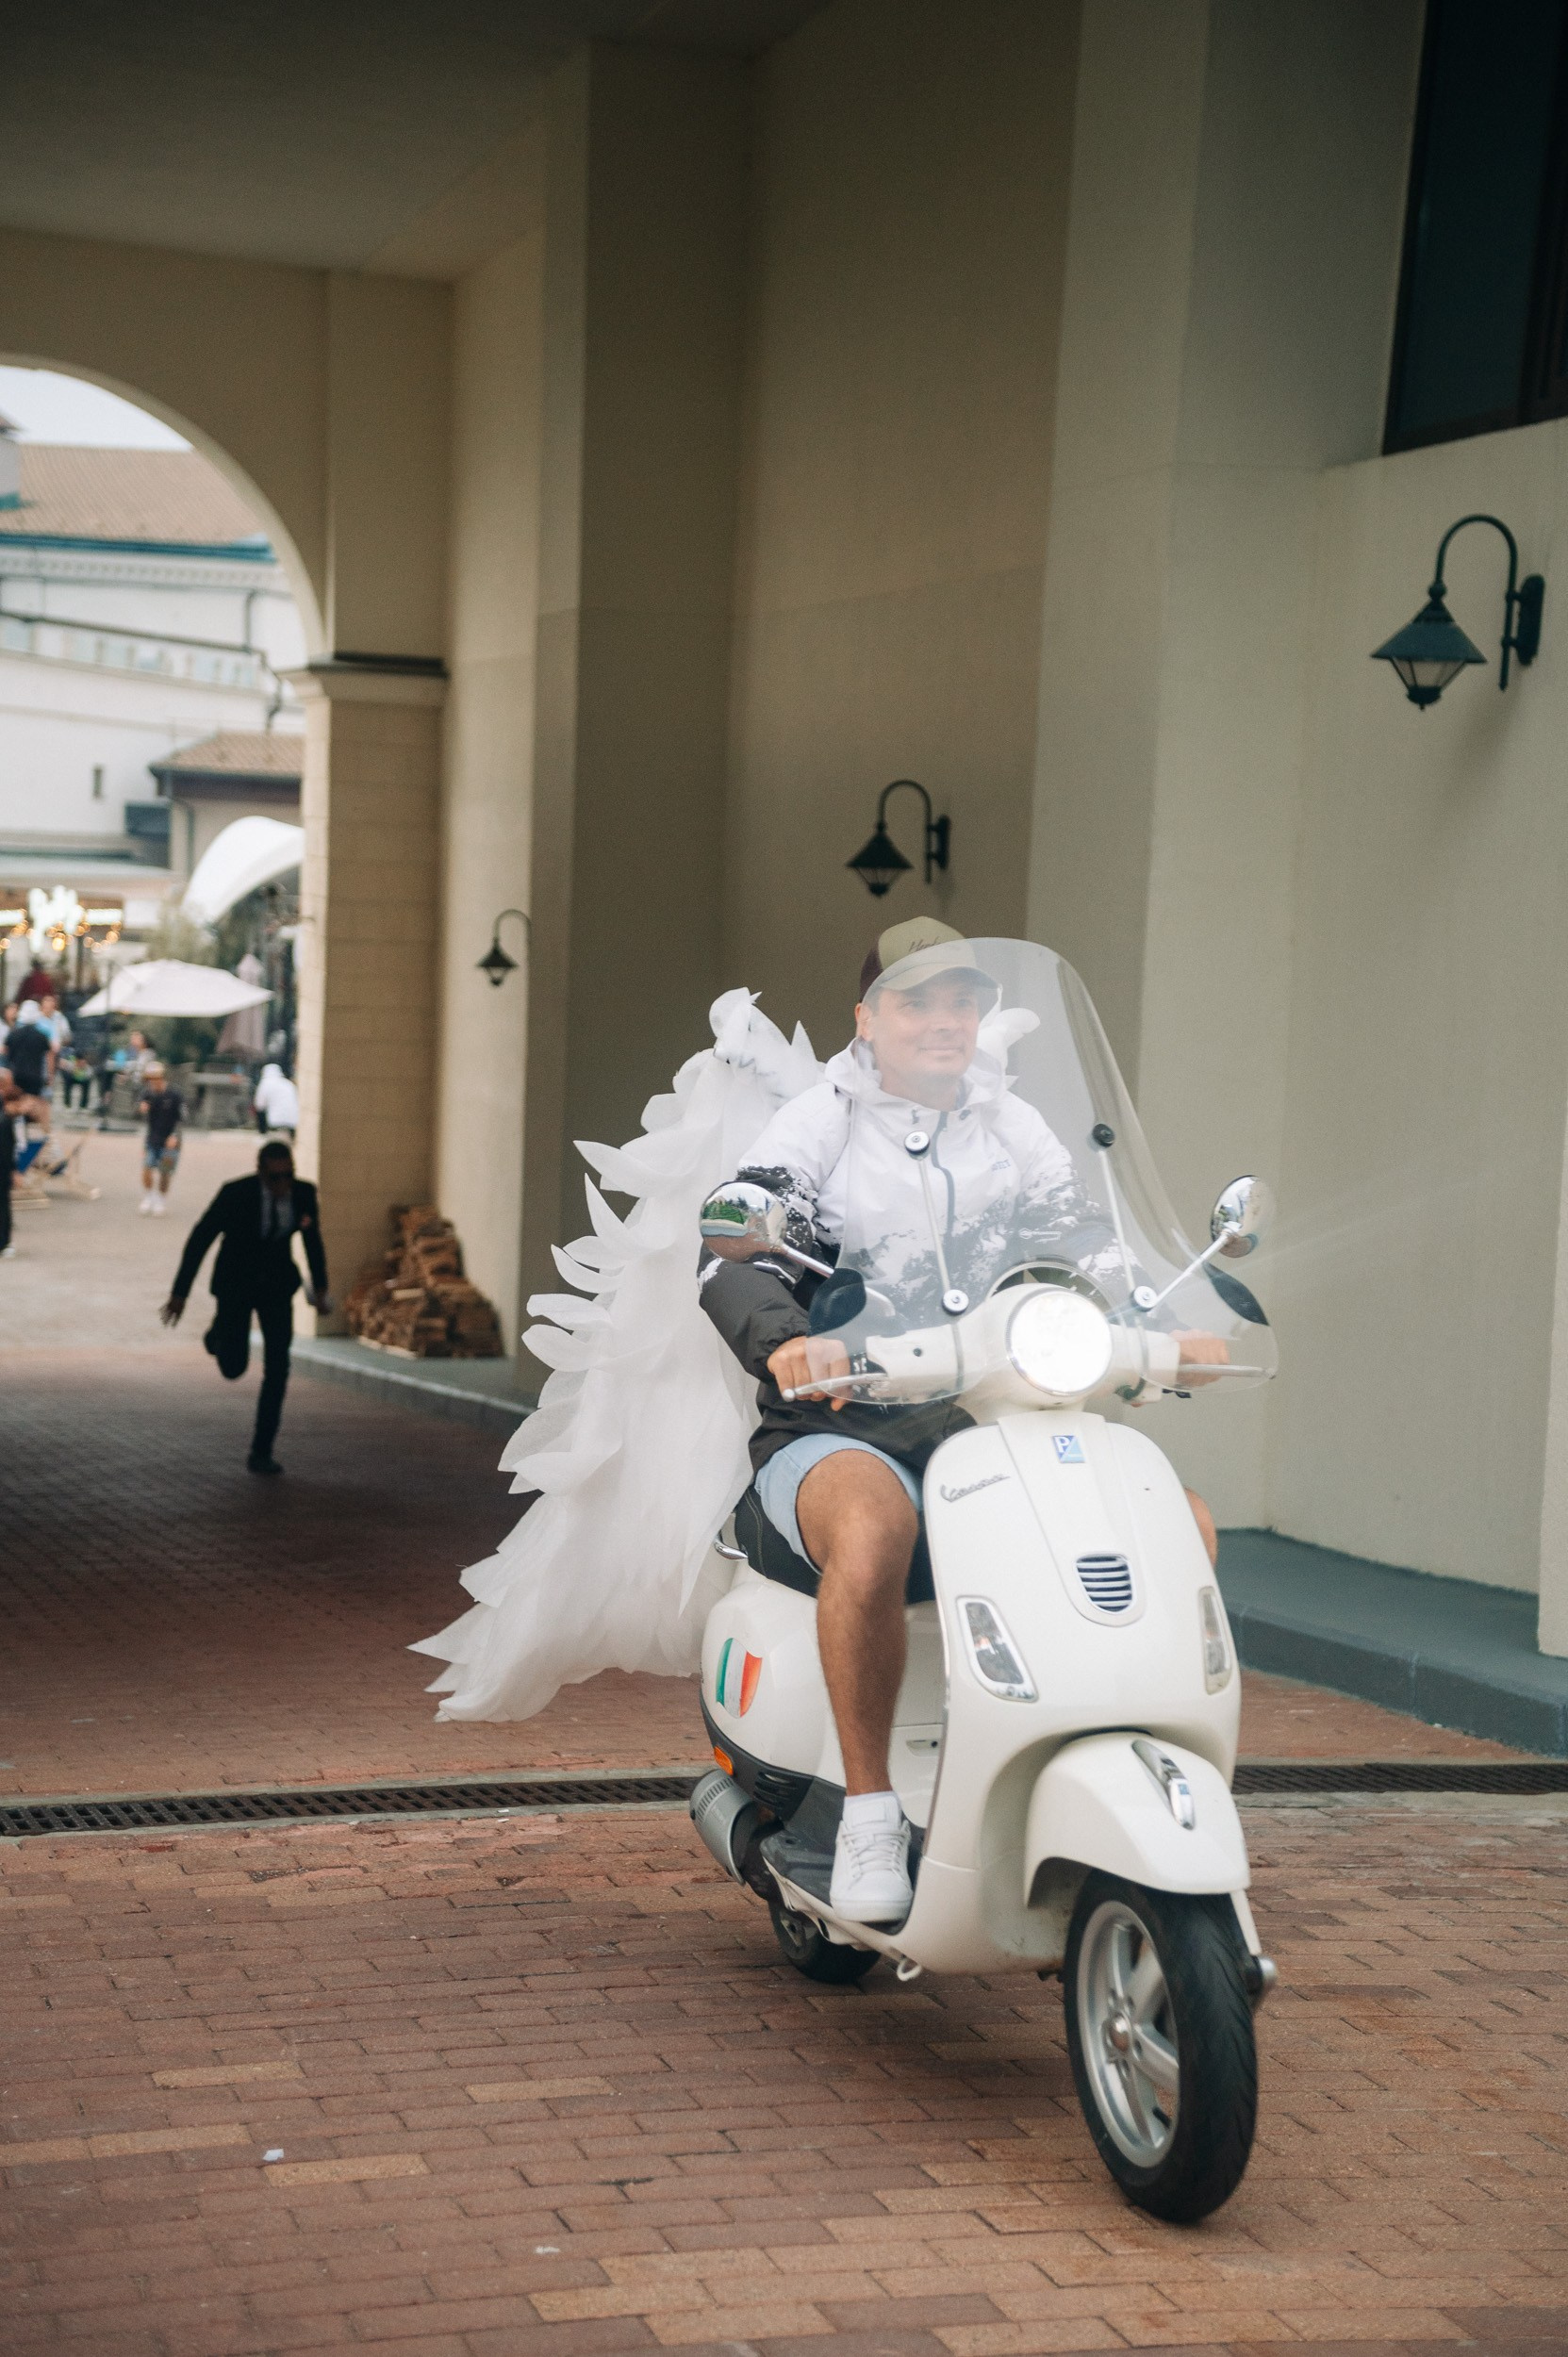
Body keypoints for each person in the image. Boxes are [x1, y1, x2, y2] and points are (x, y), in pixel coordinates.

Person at [698, 917, 1225, 1924]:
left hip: (990, 1419)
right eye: (917, 1002)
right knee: (873, 1527)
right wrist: (789, 1339)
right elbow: (734, 1241)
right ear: (868, 1018)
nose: (944, 1021)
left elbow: (1084, 1236)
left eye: (961, 1002)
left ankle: (1130, 1762)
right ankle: (866, 1810)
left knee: (1175, 1519)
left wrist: (1162, 1322)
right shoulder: (820, 1122)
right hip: (841, 1425)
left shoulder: (1010, 1123)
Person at [160, 1139, 330, 1475]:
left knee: (278, 1367)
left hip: (276, 1287)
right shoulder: (235, 1194)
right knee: (233, 1367)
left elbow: (313, 1241)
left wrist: (321, 1289)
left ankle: (262, 1451)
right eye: (275, 1178)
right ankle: (217, 1335)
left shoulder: (303, 1194)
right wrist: (180, 1294)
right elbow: (200, 1239)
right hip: (236, 1285)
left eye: (289, 1175)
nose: (283, 1185)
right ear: (261, 1173)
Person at [137, 1062, 184, 1215]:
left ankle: (160, 1200)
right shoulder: (147, 1094)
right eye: (149, 1079)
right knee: (146, 1167)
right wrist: (141, 1108)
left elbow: (181, 1118)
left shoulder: (175, 1095)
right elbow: (139, 1109)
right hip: (152, 1138)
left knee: (165, 1172)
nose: (152, 1082)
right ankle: (149, 1197)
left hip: (171, 1140)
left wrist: (174, 1136)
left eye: (154, 1078)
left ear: (161, 1077)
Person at [253, 1062, 299, 1136]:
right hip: (293, 1122)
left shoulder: (265, 1083)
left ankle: (263, 1133)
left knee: (260, 1111)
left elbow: (259, 1104)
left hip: (275, 1122)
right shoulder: (288, 1083)